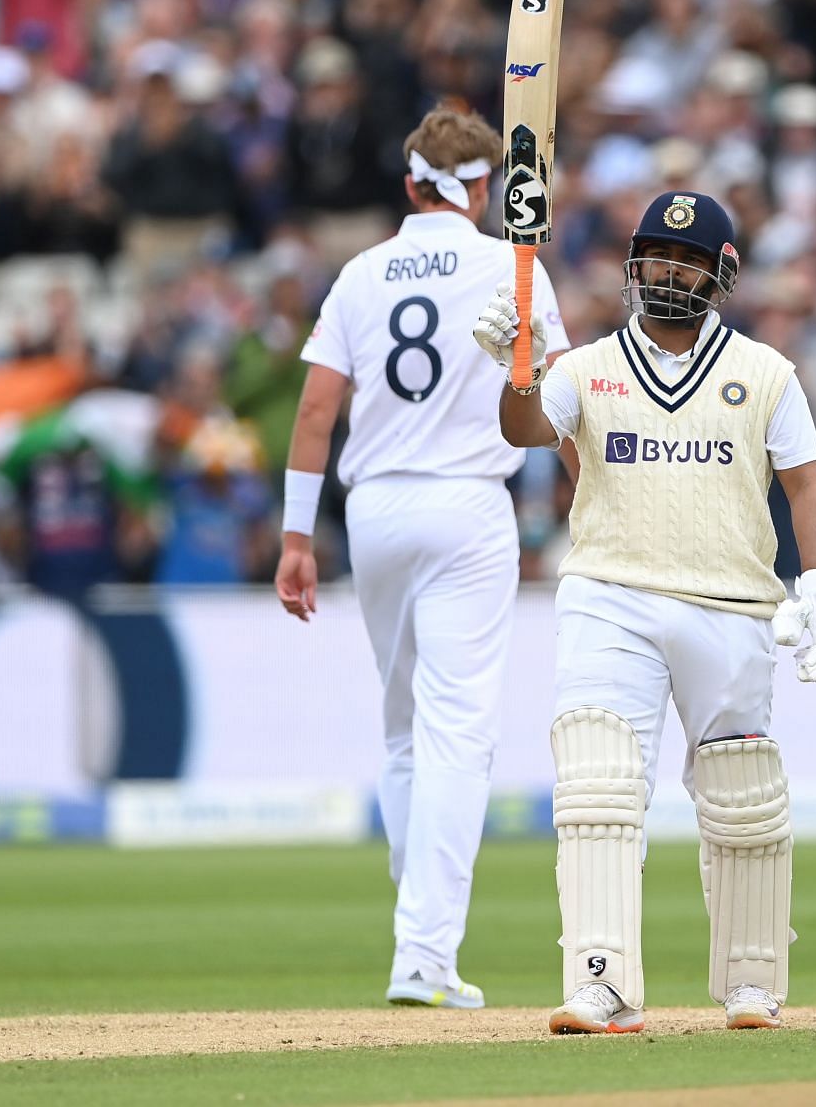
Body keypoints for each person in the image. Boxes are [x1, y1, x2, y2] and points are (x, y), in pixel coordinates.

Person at [482, 189, 816, 1034]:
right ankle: (601, 980)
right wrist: (516, 362)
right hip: (610, 593)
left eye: (688, 258)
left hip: (730, 601)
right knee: (598, 781)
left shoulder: (765, 372)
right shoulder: (584, 366)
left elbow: (807, 481)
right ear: (633, 266)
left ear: (722, 272)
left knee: (742, 795)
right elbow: (524, 430)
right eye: (656, 254)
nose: (669, 270)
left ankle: (752, 984)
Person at [275, 107, 572, 1010]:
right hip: (468, 503)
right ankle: (424, 954)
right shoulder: (510, 265)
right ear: (482, 189)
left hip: (375, 511)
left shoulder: (362, 273)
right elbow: (560, 395)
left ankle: (420, 931)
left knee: (404, 727)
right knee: (456, 733)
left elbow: (317, 410)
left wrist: (295, 535)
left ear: (409, 184)